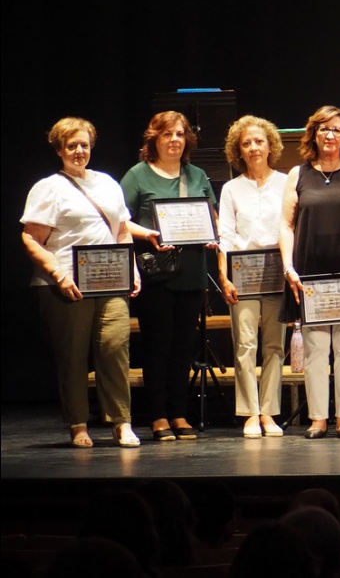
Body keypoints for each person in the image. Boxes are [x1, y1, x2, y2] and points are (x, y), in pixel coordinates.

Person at [20, 117, 141, 448]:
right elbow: (31, 239)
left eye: (84, 145)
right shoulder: (49, 187)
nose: (79, 151)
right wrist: (58, 273)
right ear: (60, 149)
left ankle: (121, 421)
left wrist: (132, 268)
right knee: (73, 356)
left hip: (110, 280)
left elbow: (122, 230)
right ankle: (78, 424)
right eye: (72, 145)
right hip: (65, 284)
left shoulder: (107, 183)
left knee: (115, 348)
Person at [121, 111, 218, 442]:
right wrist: (148, 233)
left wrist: (211, 234)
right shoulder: (138, 175)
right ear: (154, 140)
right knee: (157, 346)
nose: (174, 140)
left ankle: (179, 413)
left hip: (192, 271)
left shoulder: (197, 174)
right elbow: (120, 222)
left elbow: (211, 216)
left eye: (179, 134)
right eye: (167, 135)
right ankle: (158, 416)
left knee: (183, 349)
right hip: (157, 274)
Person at [280, 106, 340, 440]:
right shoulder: (298, 174)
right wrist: (288, 266)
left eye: (336, 130)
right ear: (313, 134)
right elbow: (286, 224)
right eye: (323, 129)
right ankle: (318, 418)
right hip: (310, 273)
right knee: (317, 349)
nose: (330, 135)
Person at [216, 115, 288, 439]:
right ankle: (250, 413)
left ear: (270, 145)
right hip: (242, 272)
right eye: (246, 143)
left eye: (259, 141)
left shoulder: (286, 182)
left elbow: (291, 228)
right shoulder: (231, 189)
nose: (254, 147)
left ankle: (270, 412)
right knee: (245, 345)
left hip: (276, 270)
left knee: (274, 345)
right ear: (238, 151)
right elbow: (226, 235)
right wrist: (224, 275)